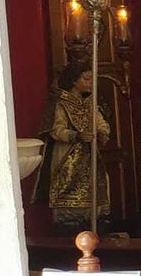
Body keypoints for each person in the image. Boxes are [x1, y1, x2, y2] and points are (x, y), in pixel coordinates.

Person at [32, 60, 110, 226]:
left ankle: (94, 218)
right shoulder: (61, 103)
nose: (91, 83)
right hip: (67, 156)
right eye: (86, 79)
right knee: (68, 187)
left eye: (91, 79)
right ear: (74, 80)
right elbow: (56, 129)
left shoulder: (90, 104)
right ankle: (70, 220)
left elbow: (100, 121)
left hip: (89, 155)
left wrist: (102, 132)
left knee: (95, 186)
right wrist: (76, 136)